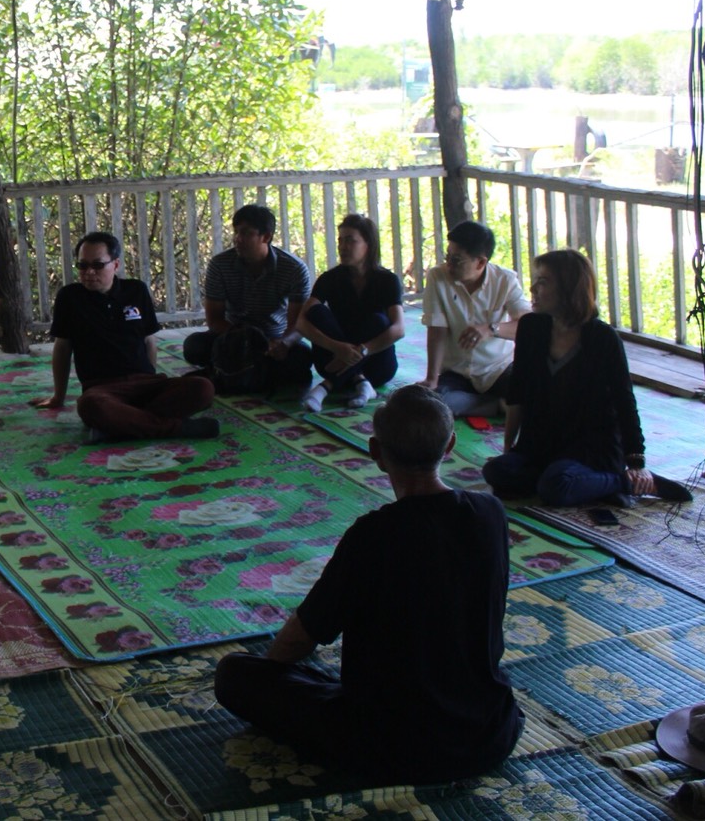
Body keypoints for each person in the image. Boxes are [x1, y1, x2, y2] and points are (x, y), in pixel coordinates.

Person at [213, 385, 523, 786]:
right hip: (490, 733)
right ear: (450, 445)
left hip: (393, 744)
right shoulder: (490, 512)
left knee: (235, 674)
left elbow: (301, 639)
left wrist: (270, 675)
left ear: (376, 452)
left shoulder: (374, 534)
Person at [482, 249, 692, 507]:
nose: (533, 288)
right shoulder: (531, 328)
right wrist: (509, 448)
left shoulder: (602, 339)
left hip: (590, 447)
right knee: (497, 471)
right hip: (541, 443)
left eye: (543, 282)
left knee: (556, 486)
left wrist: (636, 462)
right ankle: (584, 483)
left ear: (569, 288)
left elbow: (624, 400)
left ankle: (625, 482)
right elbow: (518, 391)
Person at [32, 231, 219, 442]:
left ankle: (121, 425)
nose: (89, 272)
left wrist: (150, 379)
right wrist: (59, 397)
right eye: (83, 266)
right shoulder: (70, 297)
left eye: (98, 265)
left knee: (203, 388)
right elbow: (63, 348)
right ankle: (174, 428)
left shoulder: (136, 290)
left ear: (116, 265)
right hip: (102, 389)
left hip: (146, 384)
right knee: (90, 406)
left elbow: (149, 340)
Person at [183, 204, 314, 390]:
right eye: (236, 232)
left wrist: (284, 343)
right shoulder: (220, 265)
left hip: (273, 339)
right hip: (232, 335)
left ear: (266, 237)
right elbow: (214, 320)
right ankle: (254, 372)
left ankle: (236, 371)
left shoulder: (293, 269)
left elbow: (299, 324)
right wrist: (245, 338)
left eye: (245, 233)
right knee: (194, 346)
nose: (237, 239)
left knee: (303, 357)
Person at [417, 220, 530, 416]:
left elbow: (529, 326)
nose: (449, 264)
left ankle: (489, 404)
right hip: (456, 371)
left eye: (457, 260)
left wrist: (491, 328)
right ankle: (497, 405)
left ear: (481, 262)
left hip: (498, 369)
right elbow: (437, 330)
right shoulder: (438, 276)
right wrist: (432, 378)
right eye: (448, 256)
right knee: (429, 405)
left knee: (534, 395)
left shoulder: (506, 280)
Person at [296, 213, 405, 411]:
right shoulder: (330, 278)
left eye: (350, 241)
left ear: (368, 245)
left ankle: (326, 386)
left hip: (376, 366)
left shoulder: (387, 280)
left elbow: (399, 329)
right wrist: (337, 347)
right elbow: (301, 322)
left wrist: (362, 350)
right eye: (340, 241)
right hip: (332, 359)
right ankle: (360, 383)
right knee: (316, 312)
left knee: (379, 321)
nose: (343, 247)